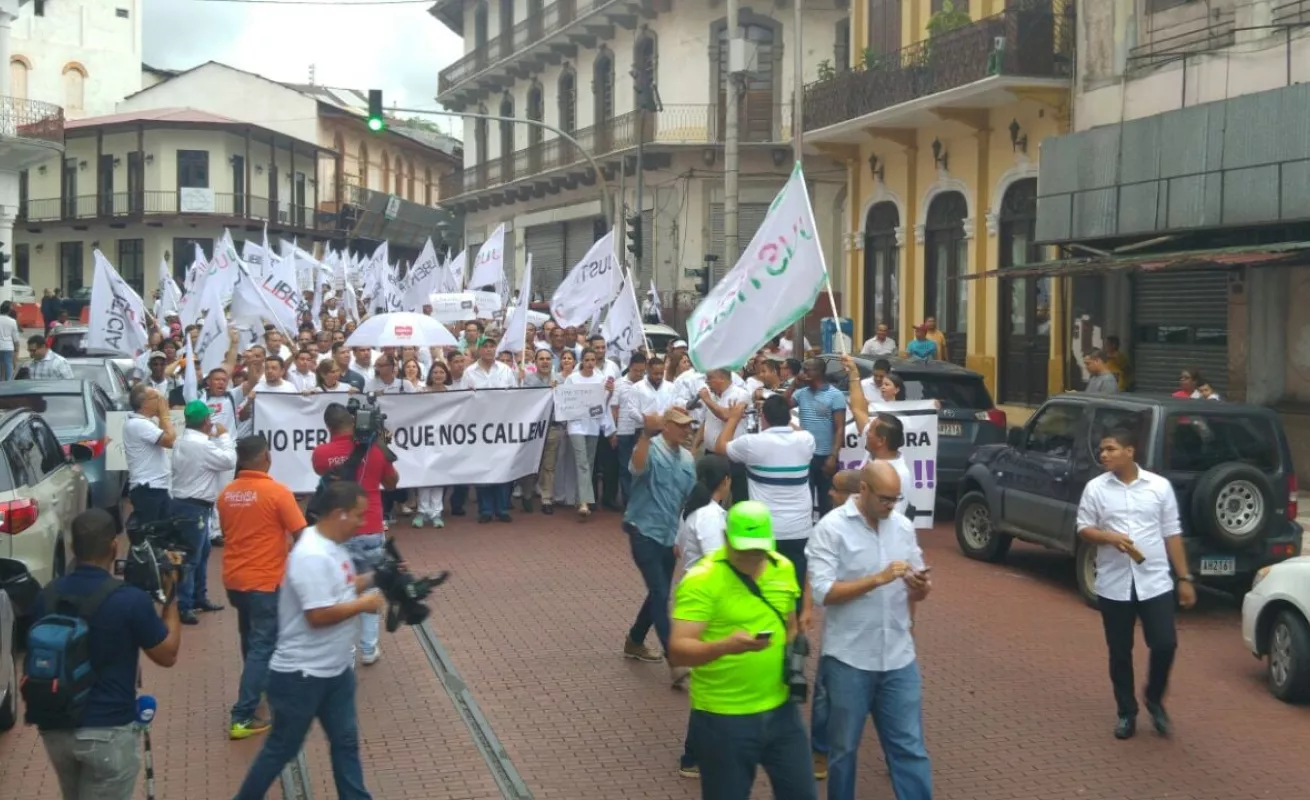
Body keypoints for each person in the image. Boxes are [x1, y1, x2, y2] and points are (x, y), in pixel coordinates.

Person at [232, 482, 385, 800]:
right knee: (281, 749)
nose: (362, 522)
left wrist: (376, 578)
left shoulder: (333, 546)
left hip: (335, 671)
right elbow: (318, 614)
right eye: (358, 516)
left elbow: (342, 586)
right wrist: (365, 604)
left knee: (345, 741)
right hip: (301, 675)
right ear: (338, 514)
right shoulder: (311, 555)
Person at [669, 501, 816, 800]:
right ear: (726, 538)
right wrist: (725, 646)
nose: (752, 557)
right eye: (744, 549)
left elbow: (788, 624)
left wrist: (793, 654)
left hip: (781, 711)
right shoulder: (702, 579)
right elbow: (678, 651)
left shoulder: (782, 568)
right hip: (723, 718)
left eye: (758, 550)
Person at [34, 509, 182, 800]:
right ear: (115, 546)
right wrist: (171, 598)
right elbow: (168, 655)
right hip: (108, 730)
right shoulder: (128, 599)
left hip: (55, 729)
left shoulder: (47, 595)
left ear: (74, 548)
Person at [807, 461, 933, 800]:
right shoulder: (831, 529)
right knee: (844, 750)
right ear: (863, 490)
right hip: (849, 659)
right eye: (885, 499)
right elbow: (822, 592)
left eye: (896, 499)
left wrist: (921, 586)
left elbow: (918, 585)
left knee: (910, 748)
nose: (892, 506)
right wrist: (877, 579)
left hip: (898, 657)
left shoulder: (903, 527)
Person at [1076, 427, 1195, 740]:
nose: (1104, 455)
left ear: (1130, 451)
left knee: (1165, 643)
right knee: (1119, 651)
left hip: (1154, 580)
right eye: (1102, 450)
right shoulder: (1095, 488)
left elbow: (1172, 533)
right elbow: (1084, 528)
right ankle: (1126, 712)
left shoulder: (1159, 487)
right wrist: (1108, 537)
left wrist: (1184, 578)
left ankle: (1154, 697)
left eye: (1111, 449)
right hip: (1114, 583)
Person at [218, 436, 308, 740]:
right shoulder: (277, 493)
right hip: (265, 582)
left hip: (235, 580)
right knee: (263, 645)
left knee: (251, 639)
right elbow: (301, 535)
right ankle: (242, 715)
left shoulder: (227, 494)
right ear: (266, 457)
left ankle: (259, 697)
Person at [311, 403, 398, 666]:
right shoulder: (375, 449)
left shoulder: (321, 453)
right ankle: (369, 648)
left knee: (340, 591)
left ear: (328, 427)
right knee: (371, 587)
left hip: (337, 531)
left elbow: (320, 472)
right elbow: (392, 483)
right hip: (370, 525)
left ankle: (345, 652)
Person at [622, 407, 697, 674]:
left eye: (688, 425)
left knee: (659, 591)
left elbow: (689, 499)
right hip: (642, 530)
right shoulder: (650, 447)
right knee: (660, 592)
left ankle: (635, 640)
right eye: (680, 425)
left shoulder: (687, 458)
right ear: (665, 427)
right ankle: (674, 657)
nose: (686, 430)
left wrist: (683, 535)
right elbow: (637, 467)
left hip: (668, 534)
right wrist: (645, 434)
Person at [673, 453, 733, 774]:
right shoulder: (709, 516)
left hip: (700, 600)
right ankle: (693, 755)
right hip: (709, 604)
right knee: (712, 685)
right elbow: (717, 561)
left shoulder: (693, 510)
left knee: (712, 683)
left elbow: (679, 548)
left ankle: (700, 752)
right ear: (724, 481)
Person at [170, 400, 237, 625]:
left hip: (189, 504)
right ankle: (185, 605)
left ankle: (198, 597)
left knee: (202, 553)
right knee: (191, 558)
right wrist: (226, 437)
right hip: (194, 507)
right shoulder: (201, 445)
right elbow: (229, 461)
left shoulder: (182, 441)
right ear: (206, 421)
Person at [460, 335, 520, 522]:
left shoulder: (505, 370)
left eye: (491, 347)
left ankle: (501, 507)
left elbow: (515, 397)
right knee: (483, 467)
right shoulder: (470, 372)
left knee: (502, 466)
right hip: (479, 428)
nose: (488, 350)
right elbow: (463, 399)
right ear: (479, 349)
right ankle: (485, 509)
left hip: (502, 427)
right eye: (484, 346)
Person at [787, 359, 846, 516]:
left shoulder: (835, 395)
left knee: (826, 500)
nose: (803, 373)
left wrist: (833, 456)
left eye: (807, 370)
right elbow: (782, 405)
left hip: (825, 456)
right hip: (805, 456)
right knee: (806, 500)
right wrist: (793, 384)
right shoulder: (801, 393)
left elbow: (840, 428)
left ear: (819, 372)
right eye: (802, 370)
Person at [122, 385, 176, 526]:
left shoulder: (144, 423)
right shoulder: (139, 424)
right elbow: (170, 440)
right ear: (144, 403)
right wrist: (164, 414)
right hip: (149, 488)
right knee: (150, 535)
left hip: (155, 487)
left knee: (159, 535)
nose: (161, 401)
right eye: (157, 398)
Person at [0, 301, 22, 380]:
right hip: (8, 347)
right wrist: (17, 349)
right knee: (9, 365)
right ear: (9, 311)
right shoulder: (12, 321)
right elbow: (15, 337)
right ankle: (9, 382)